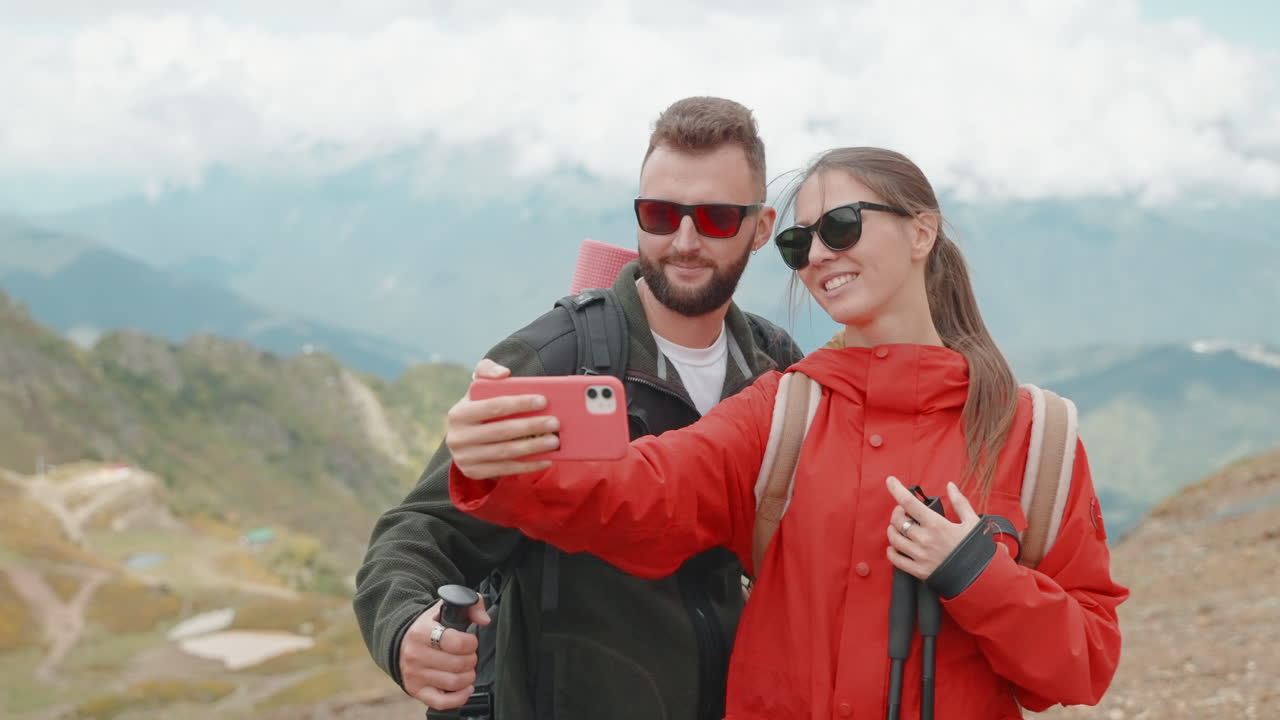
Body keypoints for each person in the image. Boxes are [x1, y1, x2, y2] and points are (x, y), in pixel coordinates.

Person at [445, 147, 1129, 719]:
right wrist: (507, 460)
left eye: (842, 226)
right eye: (799, 243)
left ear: (922, 233)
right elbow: (646, 488)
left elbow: (1082, 667)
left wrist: (977, 575)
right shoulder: (783, 412)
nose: (818, 256)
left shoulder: (1035, 436)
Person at [352, 96, 805, 720]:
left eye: (718, 217)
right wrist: (405, 631)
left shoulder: (776, 369)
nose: (685, 239)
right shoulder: (557, 358)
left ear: (760, 227)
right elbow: (422, 530)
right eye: (660, 213)